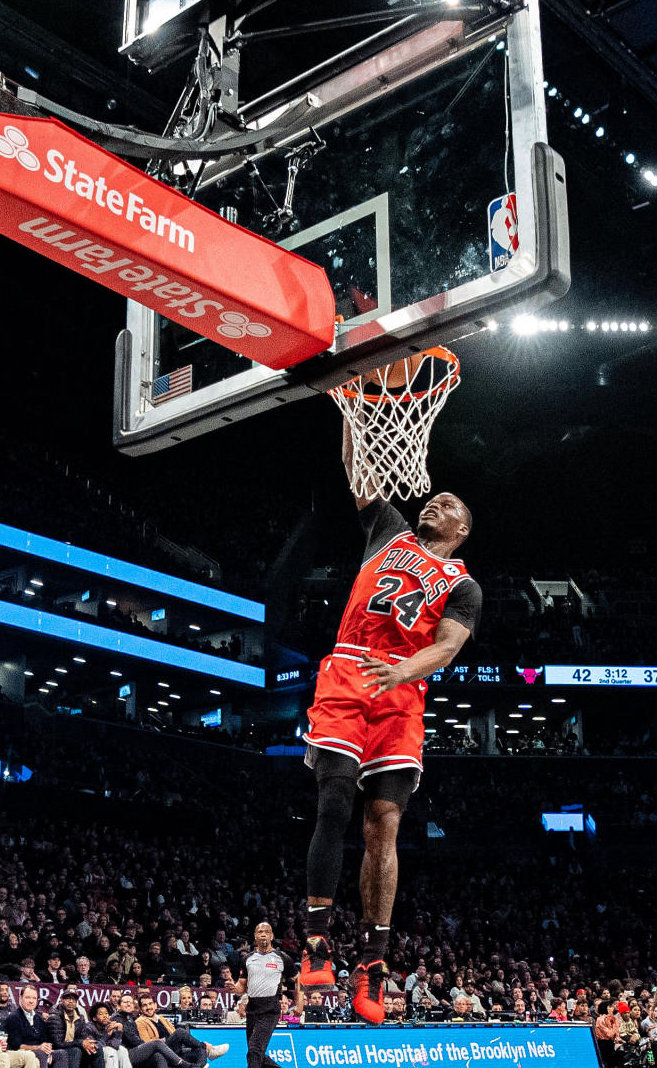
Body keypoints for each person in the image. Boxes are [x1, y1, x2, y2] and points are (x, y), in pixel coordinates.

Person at [300, 422, 481, 1024]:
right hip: (350, 670)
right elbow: (360, 472)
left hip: (402, 692)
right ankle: (317, 940)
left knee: (384, 824)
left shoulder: (463, 586)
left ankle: (373, 963)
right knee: (332, 801)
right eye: (436, 495)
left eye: (450, 505)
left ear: (461, 532)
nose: (438, 501)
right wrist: (351, 409)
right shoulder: (390, 531)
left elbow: (447, 648)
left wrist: (402, 672)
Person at [234, 924, 300, 1068]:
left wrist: (299, 1004)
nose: (263, 934)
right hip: (252, 1008)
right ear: (255, 936)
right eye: (260, 932)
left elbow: (298, 978)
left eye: (267, 932)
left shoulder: (281, 957)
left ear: (272, 936)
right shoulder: (247, 959)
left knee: (254, 1051)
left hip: (270, 1008)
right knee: (257, 1054)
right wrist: (233, 988)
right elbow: (241, 988)